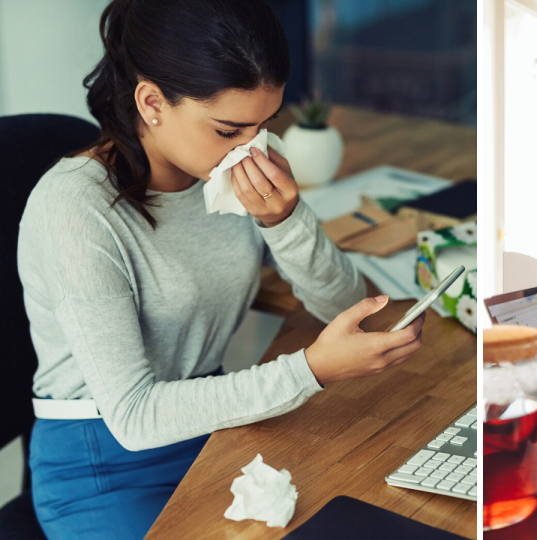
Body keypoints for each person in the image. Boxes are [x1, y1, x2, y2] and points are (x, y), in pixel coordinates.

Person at [17, 1, 425, 538]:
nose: (250, 148)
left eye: (262, 125)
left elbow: (345, 309)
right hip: (106, 460)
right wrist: (310, 370)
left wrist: (286, 220)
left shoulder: (225, 171)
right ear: (152, 102)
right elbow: (135, 416)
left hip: (215, 426)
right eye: (230, 129)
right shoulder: (74, 208)